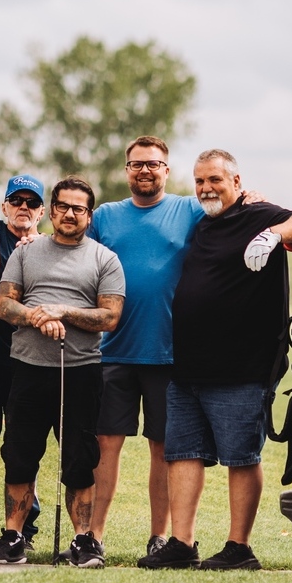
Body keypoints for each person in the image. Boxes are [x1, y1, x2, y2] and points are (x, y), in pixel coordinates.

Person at [138, 149, 292, 571]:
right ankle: (182, 543)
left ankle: (239, 547)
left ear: (236, 182)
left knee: (241, 457)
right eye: (200, 181)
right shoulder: (202, 222)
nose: (206, 188)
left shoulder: (259, 214)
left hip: (242, 366)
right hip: (188, 366)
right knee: (181, 453)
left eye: (215, 180)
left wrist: (274, 234)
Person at [0, 177, 124, 566]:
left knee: (79, 458)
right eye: (63, 206)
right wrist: (35, 315)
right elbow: (4, 306)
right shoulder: (26, 253)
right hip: (27, 367)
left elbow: (110, 315)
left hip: (80, 370)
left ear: (89, 215)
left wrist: (64, 311)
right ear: (53, 209)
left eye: (79, 208)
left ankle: (84, 541)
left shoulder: (103, 259)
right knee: (20, 455)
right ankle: (12, 537)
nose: (70, 213)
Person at [85, 136, 201, 559]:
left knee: (164, 449)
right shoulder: (106, 216)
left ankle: (159, 537)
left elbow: (230, 214)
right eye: (136, 164)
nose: (145, 171)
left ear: (166, 170)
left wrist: (250, 197)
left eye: (153, 164)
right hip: (112, 350)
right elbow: (74, 253)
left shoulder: (189, 209)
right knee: (104, 445)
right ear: (126, 169)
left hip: (169, 352)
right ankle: (93, 536)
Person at [0, 174, 47, 547]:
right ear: (3, 206)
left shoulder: (49, 247)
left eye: (31, 202)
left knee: (22, 449)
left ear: (41, 211)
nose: (23, 207)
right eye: (16, 200)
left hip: (28, 363)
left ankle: (24, 528)